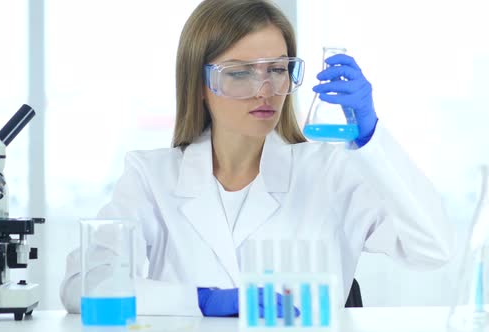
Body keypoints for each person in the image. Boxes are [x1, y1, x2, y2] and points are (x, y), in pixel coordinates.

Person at [60, 0, 455, 317]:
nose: (265, 90)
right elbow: (88, 284)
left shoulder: (330, 171)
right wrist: (205, 302)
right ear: (200, 85)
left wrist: (370, 136)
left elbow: (432, 249)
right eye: (240, 73)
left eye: (278, 70)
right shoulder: (152, 177)